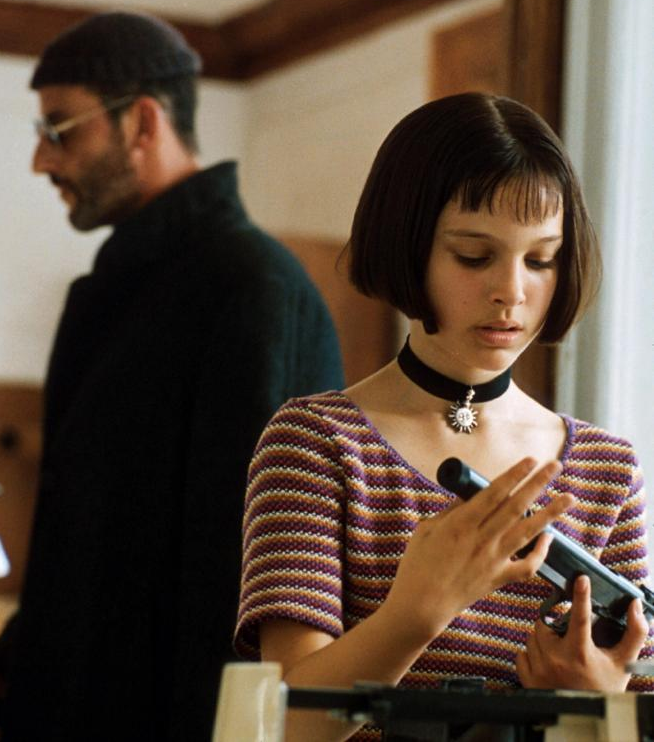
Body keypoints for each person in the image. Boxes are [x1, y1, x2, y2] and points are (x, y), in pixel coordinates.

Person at [0, 11, 344, 742]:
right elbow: (85, 542)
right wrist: (11, 669)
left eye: (59, 129)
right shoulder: (114, 291)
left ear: (141, 122)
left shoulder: (254, 287)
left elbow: (244, 581)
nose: (41, 161)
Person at [234, 92, 654, 742]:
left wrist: (596, 702)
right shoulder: (315, 443)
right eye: (474, 255)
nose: (512, 291)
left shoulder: (608, 470)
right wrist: (419, 609)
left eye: (540, 259)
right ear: (408, 245)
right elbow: (283, 726)